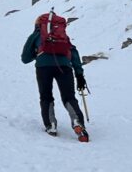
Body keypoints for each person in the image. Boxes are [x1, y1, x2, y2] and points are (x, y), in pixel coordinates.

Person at [21, 11, 89, 141]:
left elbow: (25, 58)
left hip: (43, 68)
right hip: (64, 67)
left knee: (46, 96)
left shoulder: (36, 35)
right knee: (69, 97)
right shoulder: (63, 36)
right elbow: (73, 52)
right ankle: (77, 122)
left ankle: (50, 125)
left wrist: (38, 53)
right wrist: (79, 74)